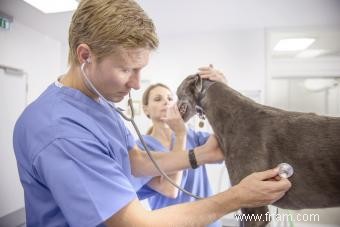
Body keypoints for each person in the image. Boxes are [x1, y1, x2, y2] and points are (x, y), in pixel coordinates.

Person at [12, 0, 291, 226]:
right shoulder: (61, 132)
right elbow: (135, 223)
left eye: (140, 70)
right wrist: (237, 197)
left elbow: (133, 159)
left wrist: (200, 154)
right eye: (126, 69)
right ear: (85, 56)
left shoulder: (99, 102)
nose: (135, 83)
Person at [135, 67, 226, 227]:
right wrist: (180, 135)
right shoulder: (141, 148)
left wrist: (222, 90)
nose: (166, 102)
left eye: (170, 98)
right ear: (146, 109)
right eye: (157, 99)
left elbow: (227, 141)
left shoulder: (194, 136)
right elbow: (170, 190)